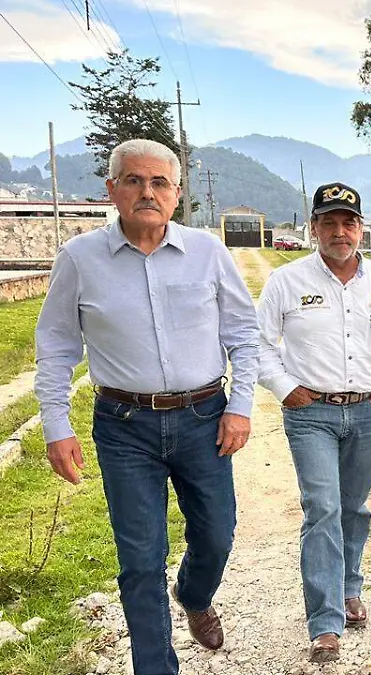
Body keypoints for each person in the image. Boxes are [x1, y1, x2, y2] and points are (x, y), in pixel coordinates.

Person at [34, 139, 259, 675]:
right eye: (133, 180)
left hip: (204, 417)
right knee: (139, 561)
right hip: (124, 427)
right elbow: (57, 346)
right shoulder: (80, 260)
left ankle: (195, 593)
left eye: (159, 182)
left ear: (177, 194)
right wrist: (54, 425)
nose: (146, 192)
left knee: (217, 532)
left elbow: (244, 334)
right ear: (112, 189)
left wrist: (242, 405)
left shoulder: (208, 253)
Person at [257, 182, 371, 662]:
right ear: (314, 229)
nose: (339, 232)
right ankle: (325, 622)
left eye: (348, 222)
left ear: (361, 229)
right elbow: (258, 345)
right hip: (312, 414)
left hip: (368, 410)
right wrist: (287, 389)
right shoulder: (286, 282)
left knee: (354, 506)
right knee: (322, 507)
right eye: (329, 222)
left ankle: (350, 586)